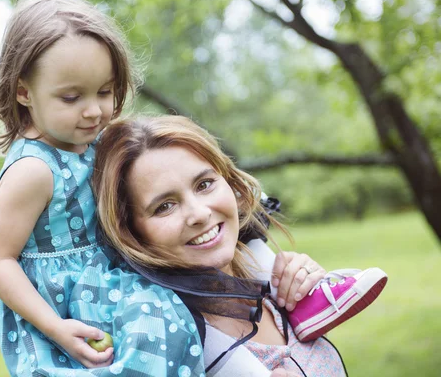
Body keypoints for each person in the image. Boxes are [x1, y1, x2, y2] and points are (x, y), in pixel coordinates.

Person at [0, 0, 209, 376]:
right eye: (71, 97)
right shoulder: (33, 170)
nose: (94, 110)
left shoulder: (97, 143)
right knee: (153, 327)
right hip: (61, 307)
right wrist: (55, 327)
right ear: (23, 92)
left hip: (113, 282)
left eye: (105, 91)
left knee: (172, 323)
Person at [92, 115, 388, 376]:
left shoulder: (270, 288)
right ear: (132, 232)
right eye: (165, 206)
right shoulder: (170, 345)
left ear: (229, 183)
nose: (199, 214)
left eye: (204, 184)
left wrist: (305, 278)